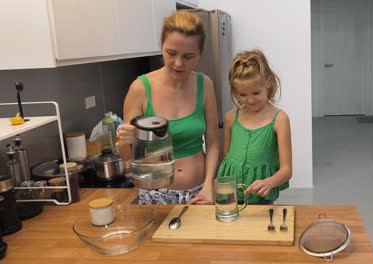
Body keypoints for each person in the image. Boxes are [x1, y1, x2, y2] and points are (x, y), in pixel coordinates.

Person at [117, 10, 219, 205]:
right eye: (171, 53)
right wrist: (125, 140)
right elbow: (127, 155)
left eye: (188, 56)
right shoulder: (140, 88)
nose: (178, 63)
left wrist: (208, 185)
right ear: (161, 46)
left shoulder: (205, 85)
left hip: (200, 193)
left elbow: (213, 143)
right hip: (154, 194)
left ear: (199, 55)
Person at [217, 49, 292, 205]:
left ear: (268, 83)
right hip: (229, 196)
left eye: (256, 93)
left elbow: (287, 170)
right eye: (243, 95)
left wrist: (269, 182)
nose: (250, 100)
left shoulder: (280, 119)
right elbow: (225, 159)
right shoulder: (230, 118)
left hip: (261, 199)